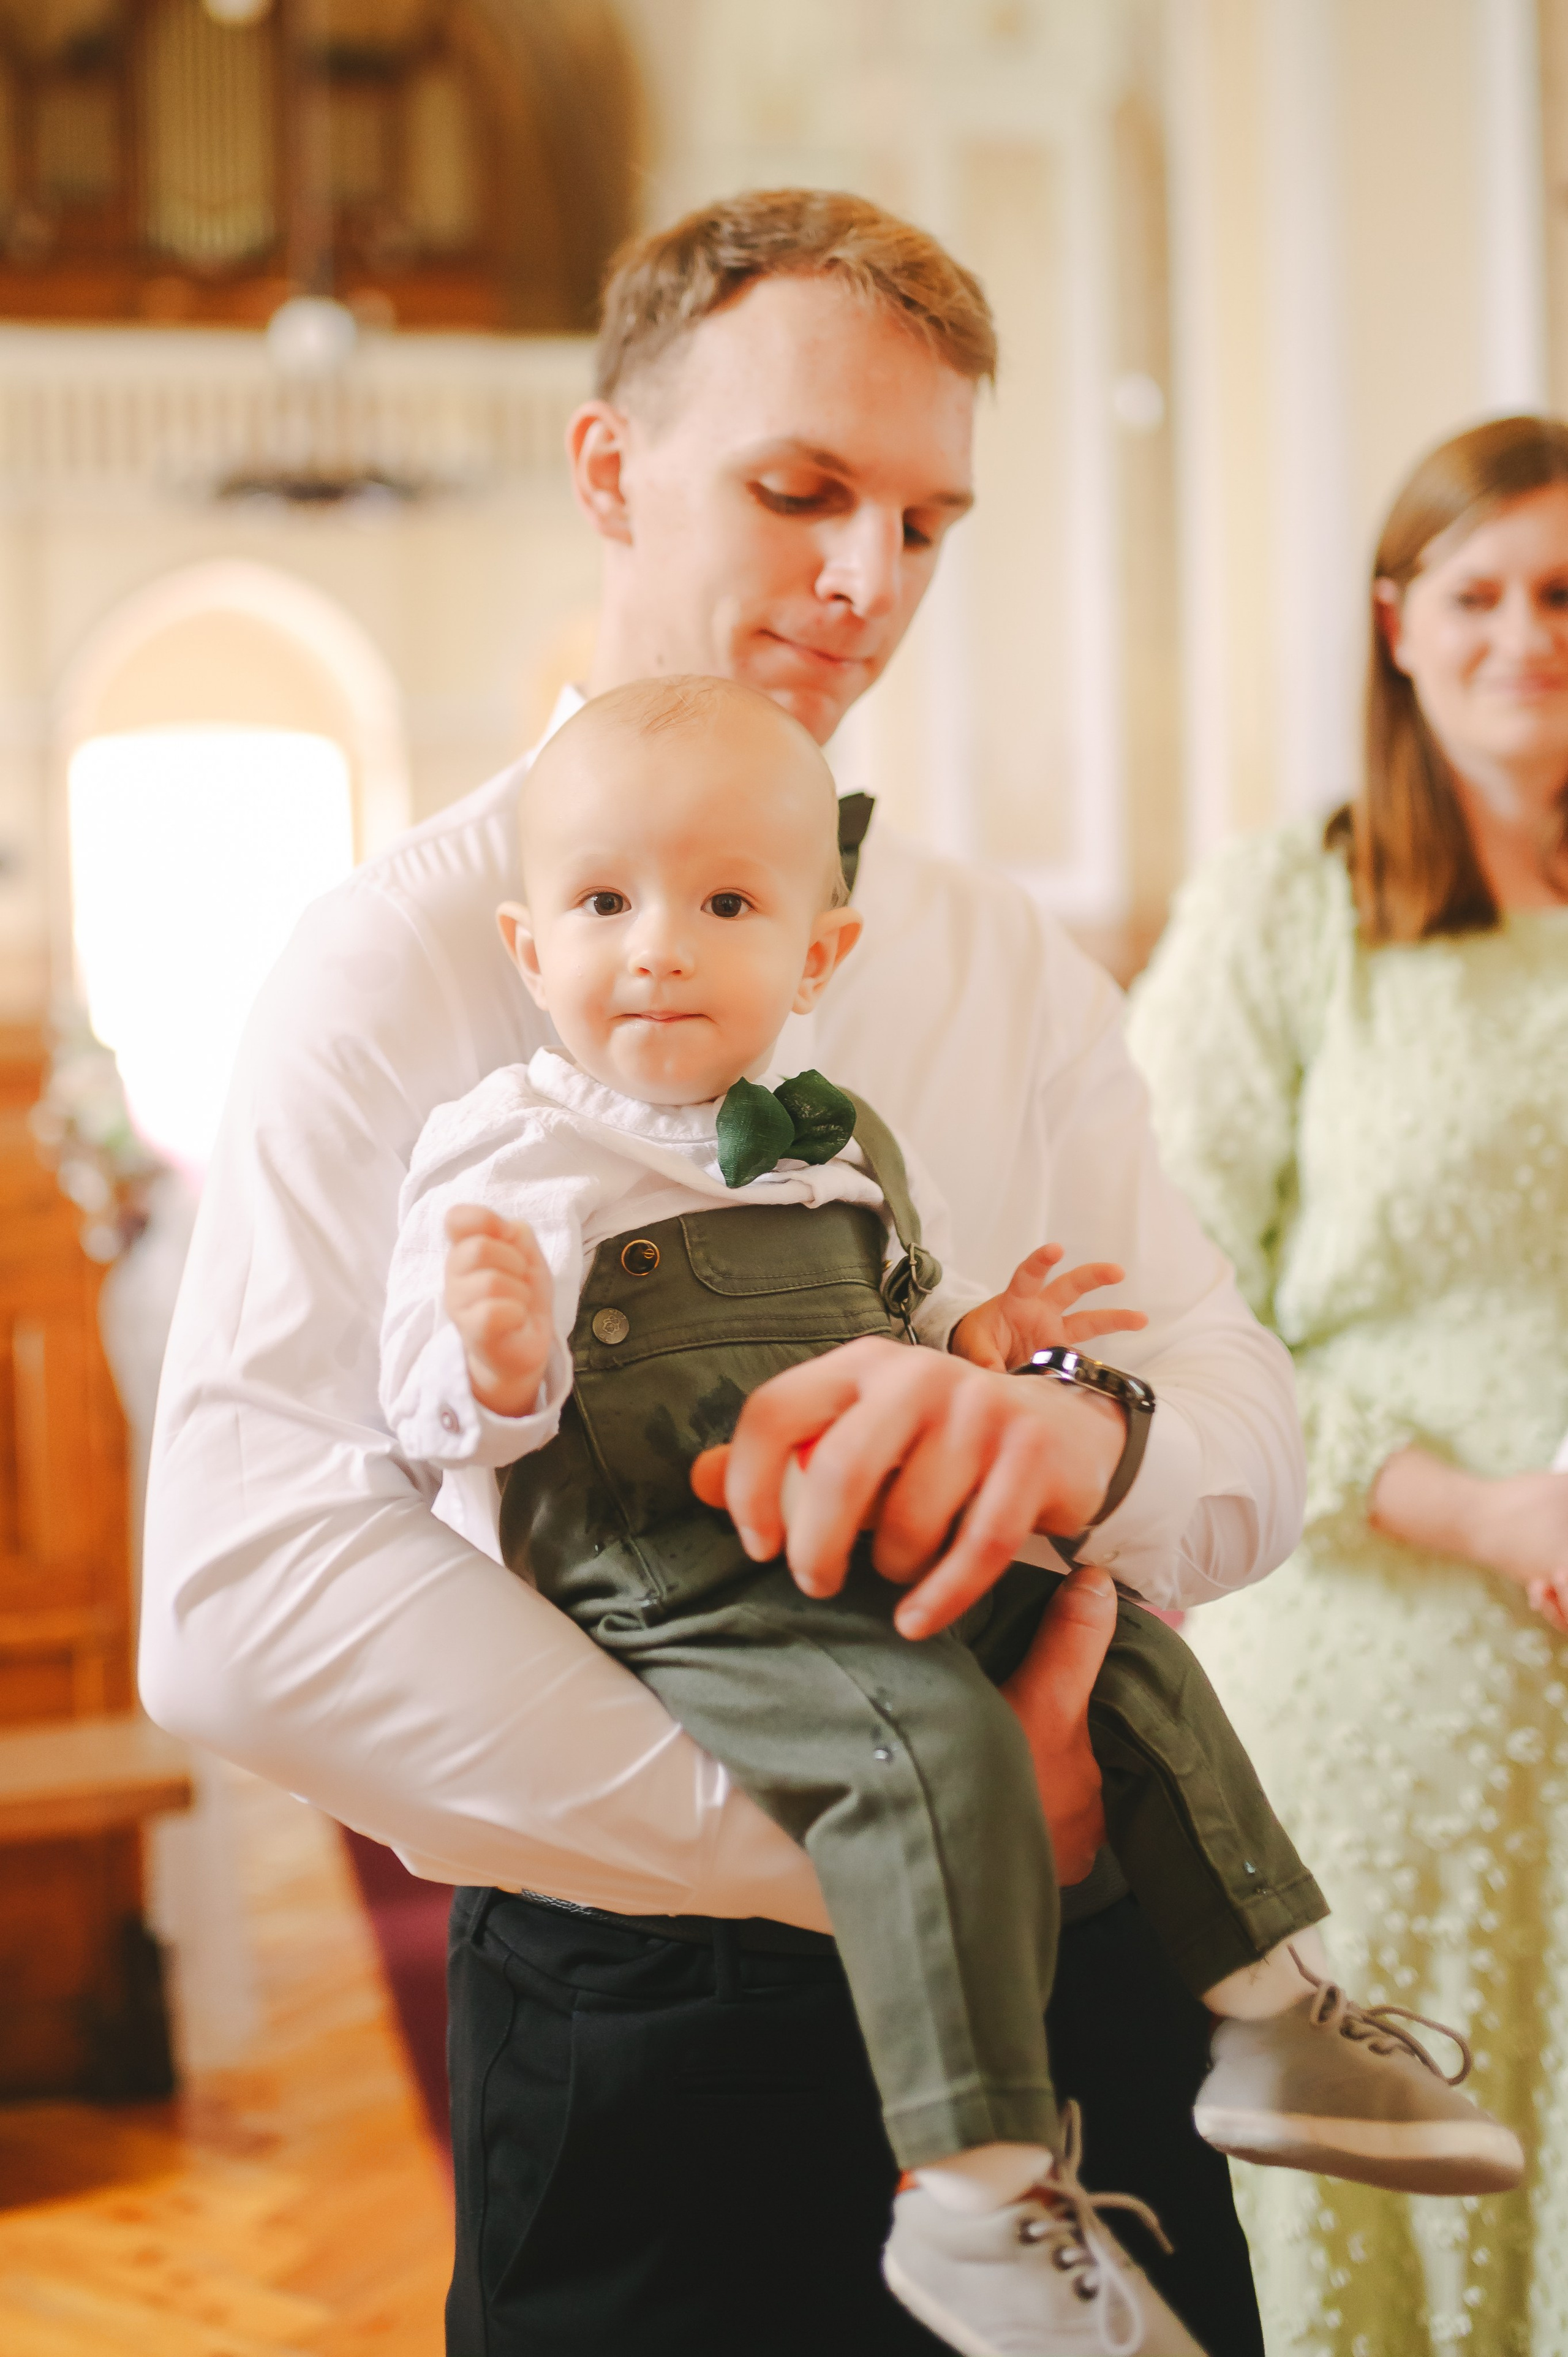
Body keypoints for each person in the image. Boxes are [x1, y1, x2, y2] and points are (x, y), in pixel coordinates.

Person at [141, 190, 1303, 2356]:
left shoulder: (1005, 959)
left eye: (927, 524)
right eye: (801, 492)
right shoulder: (395, 960)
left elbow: (1247, 1420)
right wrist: (892, 1832)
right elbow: (240, 1603)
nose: (872, 581)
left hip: (1098, 1984)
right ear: (610, 468)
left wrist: (1083, 1438)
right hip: (659, 2030)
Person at [382, 674, 1521, 2356]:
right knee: (927, 1741)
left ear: (816, 955)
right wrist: (489, 1355)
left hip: (857, 1531)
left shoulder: (838, 1143)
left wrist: (988, 1337)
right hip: (664, 1554)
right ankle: (979, 2191)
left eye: (724, 906)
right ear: (528, 944)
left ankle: (1272, 2017)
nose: (659, 949)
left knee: (1129, 1658)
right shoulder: (512, 1151)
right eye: (605, 905)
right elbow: (426, 1423)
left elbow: (901, 1306)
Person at [1125, 412, 1568, 2356]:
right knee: (1394, 2202)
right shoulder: (1286, 907)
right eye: (1479, 595)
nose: (1526, 636)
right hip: (1378, 1662)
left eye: (1566, 595)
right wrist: (1486, 1512)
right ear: (1398, 624)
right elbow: (1172, 1304)